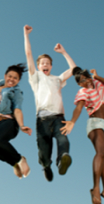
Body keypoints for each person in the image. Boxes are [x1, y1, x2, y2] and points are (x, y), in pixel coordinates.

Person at [23, 25, 75, 182]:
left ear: (51, 66)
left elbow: (74, 69)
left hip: (59, 117)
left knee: (64, 140)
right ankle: (46, 165)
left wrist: (64, 52)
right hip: (43, 119)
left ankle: (62, 160)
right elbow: (28, 54)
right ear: (39, 66)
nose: (45, 65)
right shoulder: (36, 77)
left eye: (47, 63)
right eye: (42, 63)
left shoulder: (57, 79)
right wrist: (26, 35)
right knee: (44, 152)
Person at [61, 68, 104, 204]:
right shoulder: (83, 92)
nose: (85, 82)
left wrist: (97, 76)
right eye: (82, 81)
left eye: (87, 78)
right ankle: (96, 189)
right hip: (95, 122)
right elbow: (79, 108)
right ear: (79, 84)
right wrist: (72, 121)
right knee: (100, 153)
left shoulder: (99, 86)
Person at [0, 64, 32, 178]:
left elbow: (17, 109)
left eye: (15, 78)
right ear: (5, 76)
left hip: (9, 122)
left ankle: (20, 159)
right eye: (10, 76)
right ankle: (14, 164)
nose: (12, 79)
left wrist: (22, 125)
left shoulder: (15, 92)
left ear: (18, 80)